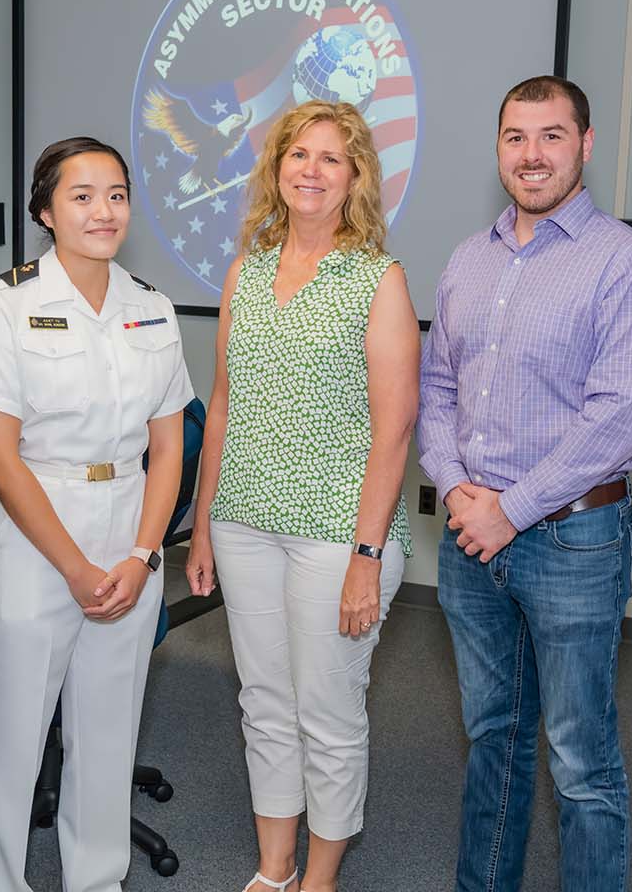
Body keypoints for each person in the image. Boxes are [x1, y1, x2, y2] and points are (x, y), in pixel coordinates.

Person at [417, 75, 632, 891]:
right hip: (469, 537)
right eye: (516, 138)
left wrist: (511, 512)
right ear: (499, 148)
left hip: (573, 537)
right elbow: (436, 391)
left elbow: (619, 418)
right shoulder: (467, 259)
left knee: (579, 754)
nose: (532, 156)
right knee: (493, 733)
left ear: (585, 145)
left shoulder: (627, 264)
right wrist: (457, 489)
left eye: (551, 136)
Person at [185, 100, 419, 892]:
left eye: (331, 158)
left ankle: (320, 880)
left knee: (327, 712)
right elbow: (223, 401)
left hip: (335, 532)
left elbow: (394, 431)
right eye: (298, 155)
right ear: (276, 170)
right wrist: (204, 528)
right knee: (264, 703)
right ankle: (274, 869)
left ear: (354, 177)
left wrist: (366, 556)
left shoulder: (377, 280)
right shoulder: (245, 272)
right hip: (245, 522)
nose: (311, 171)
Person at [0, 136, 193, 892]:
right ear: (45, 210)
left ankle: (97, 878)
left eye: (118, 194)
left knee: (107, 733)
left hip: (129, 524)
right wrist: (75, 566)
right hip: (38, 532)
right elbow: (0, 452)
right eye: (82, 195)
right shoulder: (10, 303)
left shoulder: (152, 308)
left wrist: (141, 555)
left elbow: (169, 446)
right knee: (11, 736)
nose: (104, 210)